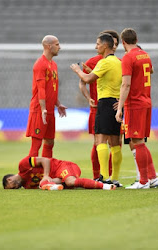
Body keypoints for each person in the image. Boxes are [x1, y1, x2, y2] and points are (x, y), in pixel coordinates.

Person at [70, 33, 122, 185]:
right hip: (116, 104)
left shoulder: (104, 63)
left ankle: (104, 177)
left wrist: (76, 70)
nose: (96, 46)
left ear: (105, 45)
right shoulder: (119, 62)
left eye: (98, 44)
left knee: (100, 139)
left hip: (105, 103)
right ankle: (115, 178)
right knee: (115, 142)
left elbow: (86, 79)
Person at [115, 28, 158, 189]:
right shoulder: (144, 54)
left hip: (134, 104)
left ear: (123, 42)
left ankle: (143, 181)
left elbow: (126, 84)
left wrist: (120, 107)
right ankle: (153, 178)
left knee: (137, 141)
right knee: (140, 142)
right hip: (146, 101)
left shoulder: (128, 57)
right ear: (136, 39)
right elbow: (151, 70)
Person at [26, 35, 67, 158]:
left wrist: (58, 104)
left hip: (49, 110)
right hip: (39, 109)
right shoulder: (40, 64)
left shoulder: (53, 64)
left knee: (49, 142)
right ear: (49, 46)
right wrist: (43, 109)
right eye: (57, 44)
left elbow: (51, 89)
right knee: (36, 144)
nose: (60, 47)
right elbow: (41, 88)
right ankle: (29, 174)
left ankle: (45, 173)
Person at [2, 156, 116, 190]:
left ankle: (105, 186)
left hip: (63, 166)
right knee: (68, 183)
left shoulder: (23, 165)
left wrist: (46, 175)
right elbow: (47, 182)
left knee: (70, 182)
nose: (15, 188)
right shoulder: (27, 186)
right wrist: (50, 181)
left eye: (11, 187)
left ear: (9, 180)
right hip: (58, 177)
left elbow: (45, 160)